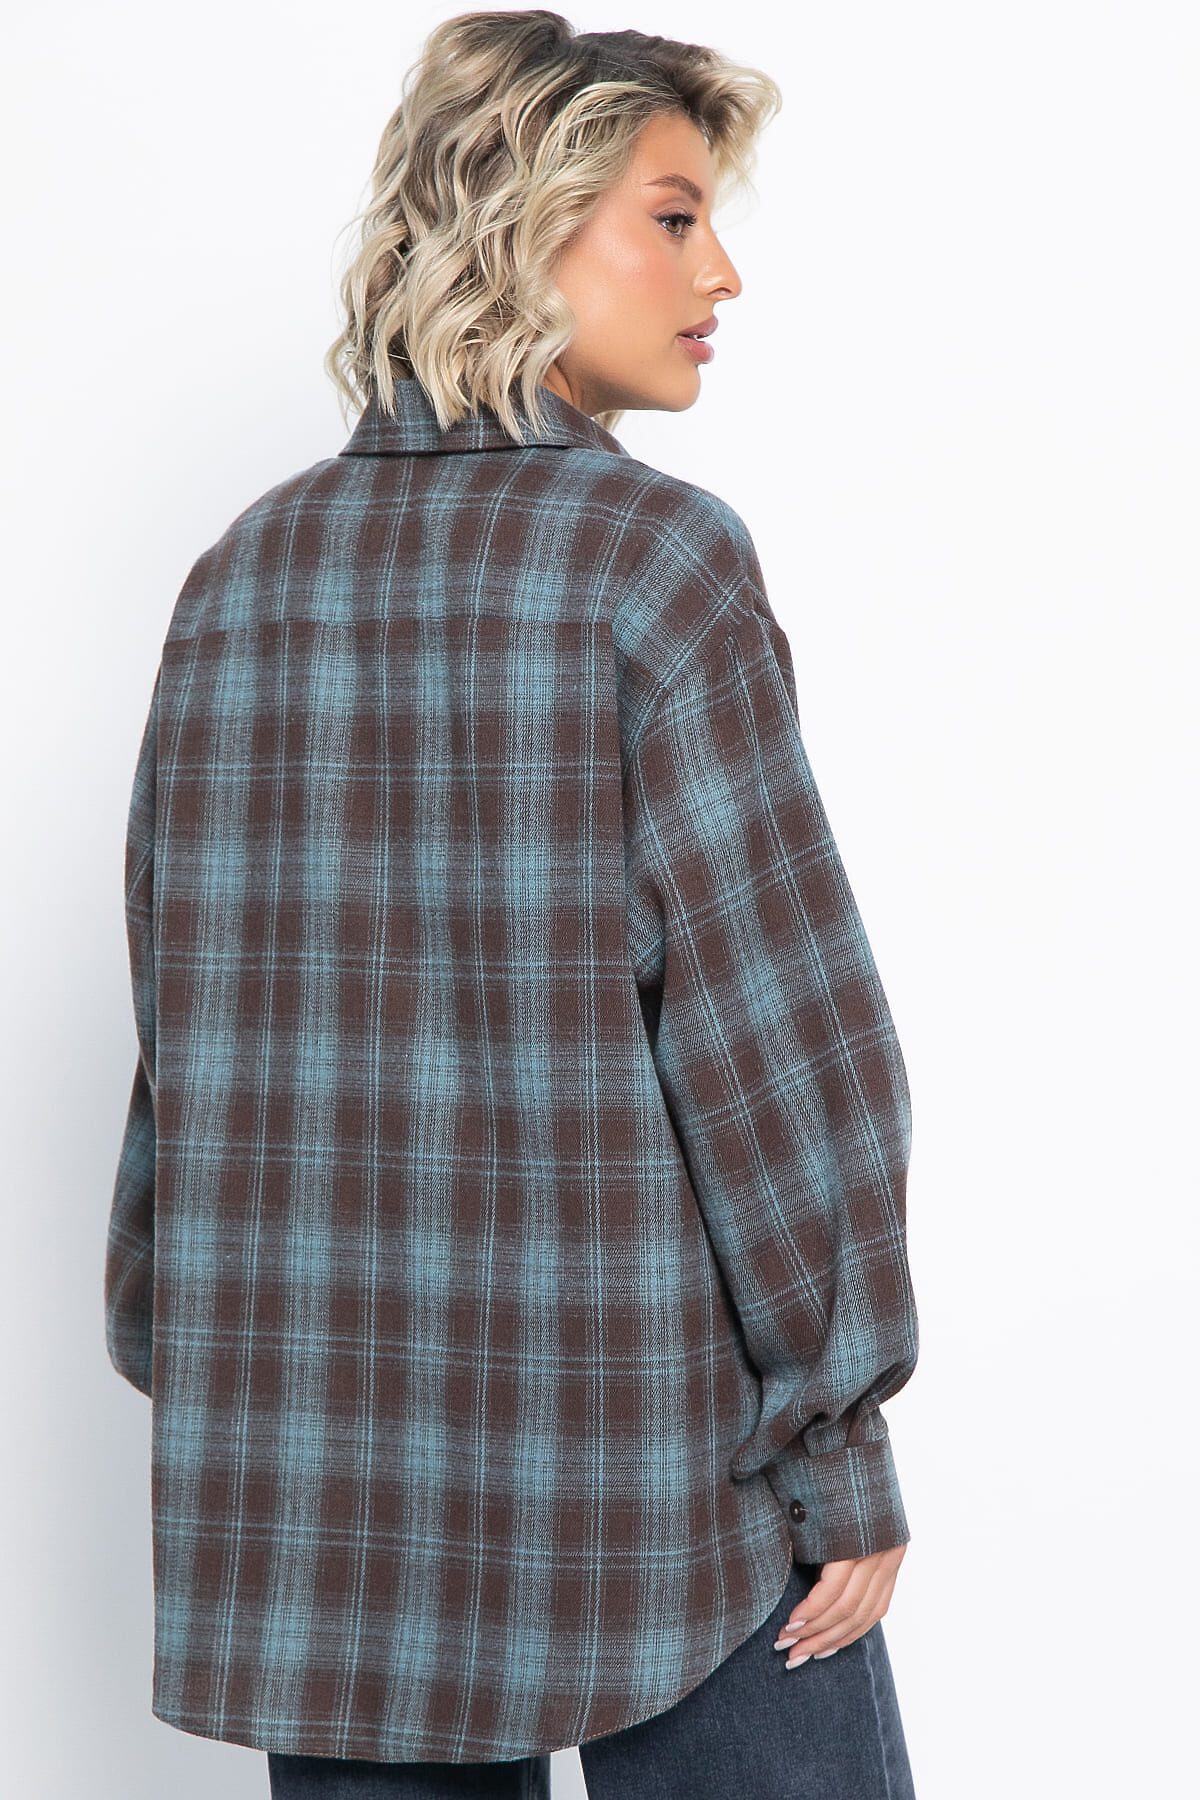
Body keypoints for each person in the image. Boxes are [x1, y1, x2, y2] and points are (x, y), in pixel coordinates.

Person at [104, 12, 920, 1797]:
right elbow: (778, 1046)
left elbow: (186, 1032)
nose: (721, 275)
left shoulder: (239, 582)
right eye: (675, 219)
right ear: (524, 223)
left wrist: (203, 1358)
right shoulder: (656, 565)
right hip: (659, 1465)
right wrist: (840, 1440)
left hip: (322, 1473)